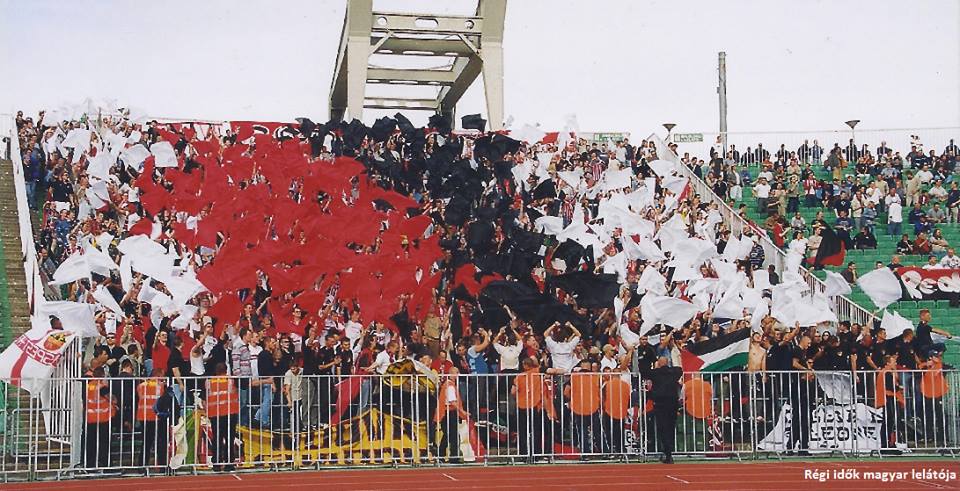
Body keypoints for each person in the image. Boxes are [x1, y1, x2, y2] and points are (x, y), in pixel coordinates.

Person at [512, 357, 555, 463]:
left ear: (524, 365)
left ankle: (524, 454)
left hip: (522, 406)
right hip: (535, 405)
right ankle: (536, 453)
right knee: (536, 430)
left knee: (523, 431)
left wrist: (519, 396)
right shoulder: (537, 373)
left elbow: (513, 391)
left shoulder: (519, 376)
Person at [647, 356, 682, 463]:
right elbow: (679, 369)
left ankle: (668, 452)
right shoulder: (674, 372)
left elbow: (645, 372)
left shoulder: (655, 373)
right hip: (672, 404)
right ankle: (669, 451)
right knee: (670, 428)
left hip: (661, 403)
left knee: (663, 428)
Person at [206, 363, 240, 471]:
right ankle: (229, 463)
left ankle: (216, 463)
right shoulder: (230, 380)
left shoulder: (209, 381)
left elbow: (205, 396)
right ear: (226, 370)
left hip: (215, 413)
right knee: (229, 438)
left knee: (217, 438)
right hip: (229, 412)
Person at [84, 366, 117, 469]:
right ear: (103, 375)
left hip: (90, 418)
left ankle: (90, 464)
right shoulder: (101, 386)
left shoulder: (89, 385)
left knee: (91, 443)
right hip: (103, 418)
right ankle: (105, 464)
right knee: (104, 442)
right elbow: (112, 399)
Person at [434, 367, 469, 463]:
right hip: (449, 412)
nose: (458, 375)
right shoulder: (450, 386)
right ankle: (453, 457)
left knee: (447, 435)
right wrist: (462, 411)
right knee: (453, 436)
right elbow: (452, 402)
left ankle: (440, 456)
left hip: (446, 413)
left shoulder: (448, 385)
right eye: (457, 373)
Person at [136, 368, 167, 466]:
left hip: (143, 416)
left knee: (146, 442)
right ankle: (162, 465)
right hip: (156, 416)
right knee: (160, 442)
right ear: (158, 375)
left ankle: (142, 465)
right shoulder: (160, 386)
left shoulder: (141, 386)